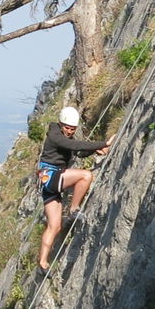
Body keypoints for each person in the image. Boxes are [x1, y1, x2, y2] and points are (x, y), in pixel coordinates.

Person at [35, 106, 110, 270]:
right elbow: (74, 145)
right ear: (61, 124)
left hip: (48, 183)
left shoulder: (62, 135)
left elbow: (78, 152)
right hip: (51, 176)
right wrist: (104, 143)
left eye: (73, 129)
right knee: (85, 176)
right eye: (67, 128)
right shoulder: (55, 135)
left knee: (55, 226)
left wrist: (95, 149)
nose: (69, 131)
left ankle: (42, 262)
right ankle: (74, 209)